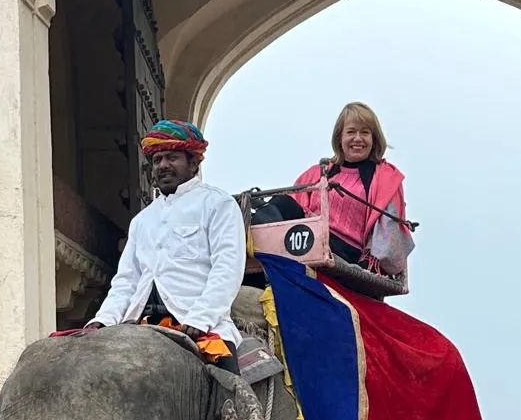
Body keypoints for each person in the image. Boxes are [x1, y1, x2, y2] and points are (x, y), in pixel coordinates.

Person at [84, 119, 246, 373]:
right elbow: (126, 281)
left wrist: (200, 319)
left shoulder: (219, 204)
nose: (163, 166)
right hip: (139, 324)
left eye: (172, 157)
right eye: (158, 160)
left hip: (197, 324)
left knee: (228, 389)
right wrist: (103, 319)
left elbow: (226, 270)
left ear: (193, 162)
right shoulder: (141, 221)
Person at [253, 101, 410, 272]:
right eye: (351, 132)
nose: (358, 138)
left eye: (365, 132)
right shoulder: (319, 172)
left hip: (346, 250)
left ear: (374, 139)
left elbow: (390, 234)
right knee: (283, 202)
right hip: (307, 237)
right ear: (340, 137)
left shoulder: (384, 177)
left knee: (309, 232)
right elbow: (292, 207)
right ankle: (250, 240)